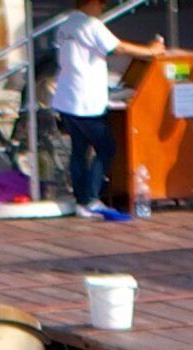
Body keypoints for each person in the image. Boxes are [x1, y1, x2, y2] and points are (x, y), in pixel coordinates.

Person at [42, 0, 147, 220]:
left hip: (67, 98)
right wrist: (151, 51)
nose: (104, 7)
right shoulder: (91, 25)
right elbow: (118, 48)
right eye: (102, 2)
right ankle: (91, 199)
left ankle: (81, 200)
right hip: (85, 101)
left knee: (79, 150)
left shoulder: (66, 24)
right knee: (106, 147)